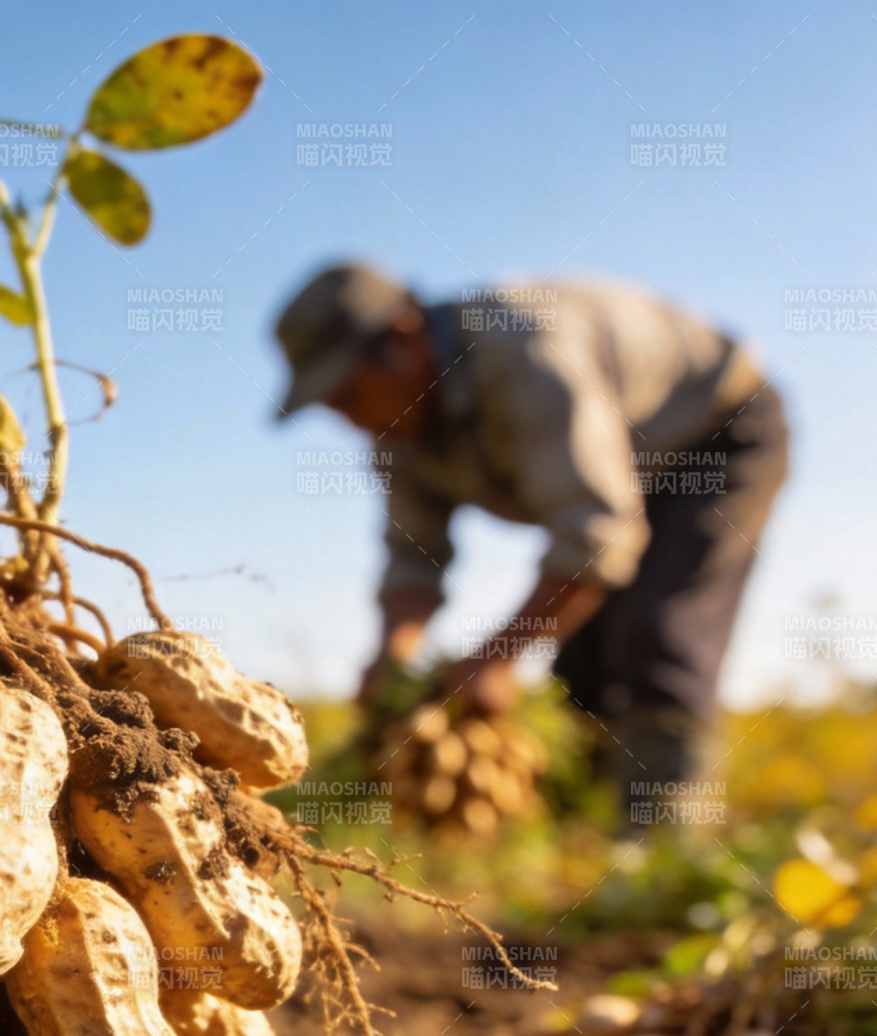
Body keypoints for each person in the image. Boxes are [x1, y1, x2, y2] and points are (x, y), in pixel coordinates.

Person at [274, 264, 789, 816]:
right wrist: (394, 656)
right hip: (619, 470)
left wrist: (496, 658)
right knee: (581, 665)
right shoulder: (396, 432)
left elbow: (596, 535)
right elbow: (412, 557)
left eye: (347, 392)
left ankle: (662, 852)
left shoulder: (527, 351)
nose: (347, 419)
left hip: (710, 434)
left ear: (403, 336)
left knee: (656, 634)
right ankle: (584, 838)